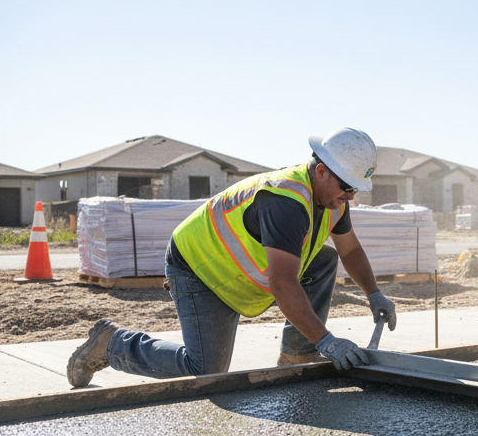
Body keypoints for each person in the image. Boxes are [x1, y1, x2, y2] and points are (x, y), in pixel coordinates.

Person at [66, 127, 399, 386]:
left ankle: (298, 355)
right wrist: (327, 341)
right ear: (322, 171)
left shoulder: (332, 202)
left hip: (236, 270)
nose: (350, 196)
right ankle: (112, 344)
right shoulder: (286, 202)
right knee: (206, 372)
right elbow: (282, 281)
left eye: (355, 189)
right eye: (347, 187)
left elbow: (350, 249)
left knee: (323, 259)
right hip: (200, 268)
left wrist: (374, 293)